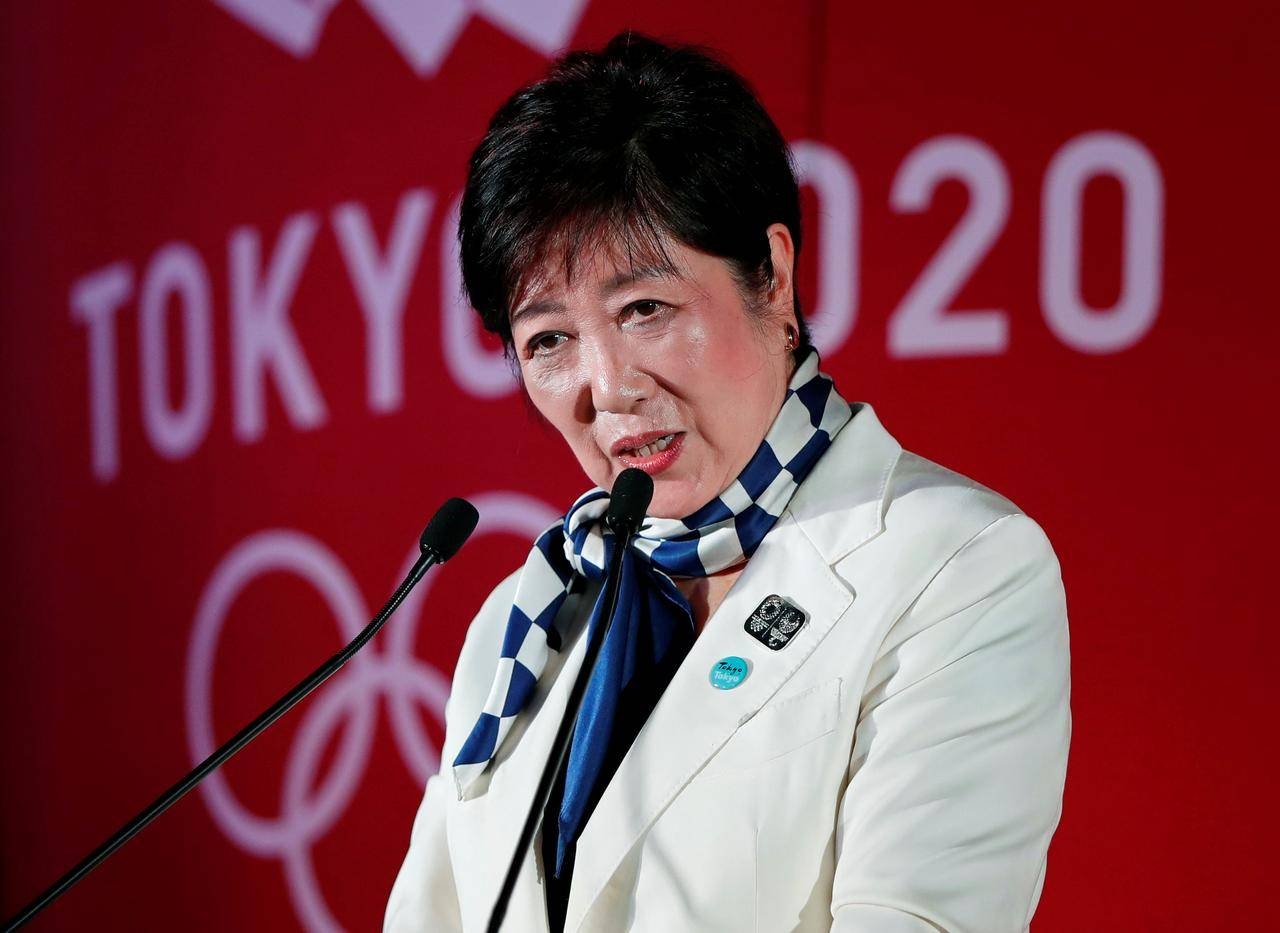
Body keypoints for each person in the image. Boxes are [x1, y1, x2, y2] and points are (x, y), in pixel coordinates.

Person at [386, 31, 1070, 933]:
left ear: (775, 277)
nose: (608, 386)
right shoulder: (524, 621)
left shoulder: (956, 565)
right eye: (548, 339)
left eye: (645, 310)